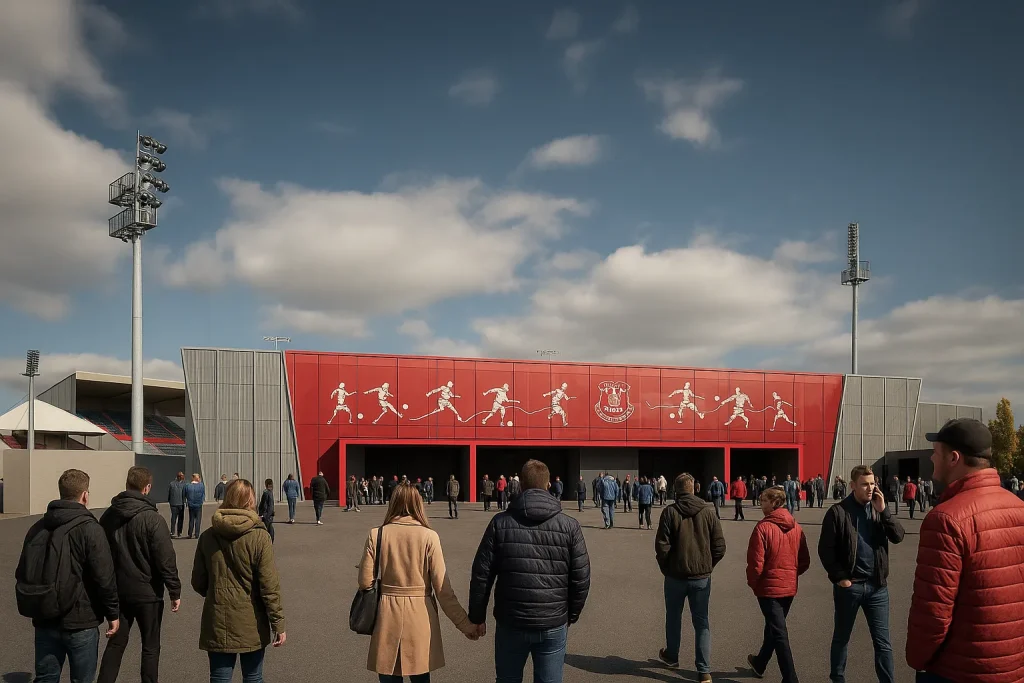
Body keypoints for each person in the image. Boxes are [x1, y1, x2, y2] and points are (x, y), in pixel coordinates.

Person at [907, 418, 1024, 683]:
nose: (931, 459)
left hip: (958, 669)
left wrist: (916, 660)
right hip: (1012, 666)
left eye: (936, 452)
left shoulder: (946, 519)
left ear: (954, 458)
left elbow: (933, 613)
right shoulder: (1018, 507)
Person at [469, 459, 591, 683]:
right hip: (553, 621)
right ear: (547, 486)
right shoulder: (570, 526)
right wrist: (571, 614)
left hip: (511, 621)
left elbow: (481, 574)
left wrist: (476, 616)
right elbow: (581, 578)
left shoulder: (499, 523)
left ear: (521, 485)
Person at [362, 482, 478, 682]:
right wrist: (465, 624)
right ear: (418, 503)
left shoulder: (377, 534)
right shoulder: (429, 536)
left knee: (388, 672)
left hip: (387, 614)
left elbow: (365, 582)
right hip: (420, 615)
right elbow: (443, 590)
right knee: (420, 674)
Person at [16, 469, 120, 683]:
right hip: (81, 619)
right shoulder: (90, 528)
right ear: (85, 495)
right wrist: (113, 614)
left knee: (46, 678)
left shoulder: (38, 527)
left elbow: (22, 570)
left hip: (45, 614)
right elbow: (104, 577)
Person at [192, 478, 285, 683]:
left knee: (219, 677)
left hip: (217, 617)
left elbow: (198, 581)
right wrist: (278, 623)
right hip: (251, 618)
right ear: (250, 500)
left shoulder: (208, 536)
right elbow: (269, 586)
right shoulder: (260, 536)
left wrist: (217, 591)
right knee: (253, 677)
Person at [819, 464, 905, 683]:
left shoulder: (878, 509)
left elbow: (898, 536)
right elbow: (826, 550)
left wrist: (884, 511)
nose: (870, 488)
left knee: (883, 642)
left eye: (873, 484)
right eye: (865, 484)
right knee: (841, 638)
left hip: (877, 587)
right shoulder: (838, 512)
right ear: (852, 486)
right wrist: (840, 578)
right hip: (850, 587)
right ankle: (837, 679)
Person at [96, 466, 180, 683]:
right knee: (150, 646)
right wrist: (174, 590)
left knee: (115, 643)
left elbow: (99, 554)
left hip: (118, 592)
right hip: (148, 593)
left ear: (127, 484)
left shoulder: (109, 516)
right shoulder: (153, 519)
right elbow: (165, 558)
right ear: (147, 488)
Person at [655, 473, 726, 681]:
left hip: (675, 576)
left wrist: (667, 568)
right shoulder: (708, 511)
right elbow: (720, 546)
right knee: (702, 622)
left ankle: (672, 655)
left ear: (675, 490)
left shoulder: (670, 512)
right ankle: (704, 671)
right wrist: (707, 565)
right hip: (701, 577)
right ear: (694, 488)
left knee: (673, 617)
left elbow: (662, 547)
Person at [745, 486, 810, 682]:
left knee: (779, 632)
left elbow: (755, 563)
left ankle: (790, 678)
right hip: (789, 587)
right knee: (774, 627)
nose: (760, 503)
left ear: (775, 503)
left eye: (764, 500)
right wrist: (790, 574)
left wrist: (754, 584)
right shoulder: (796, 526)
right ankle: (760, 662)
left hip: (768, 588)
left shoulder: (763, 528)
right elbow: (804, 560)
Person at [184, 474, 206, 539]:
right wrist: (201, 501)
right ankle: (197, 534)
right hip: (198, 504)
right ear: (198, 478)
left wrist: (187, 501)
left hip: (191, 504)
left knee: (191, 519)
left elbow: (185, 494)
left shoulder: (188, 486)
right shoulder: (201, 485)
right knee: (198, 520)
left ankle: (190, 533)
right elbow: (203, 494)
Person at [167, 472, 186, 539]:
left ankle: (173, 531)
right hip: (180, 503)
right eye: (182, 476)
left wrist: (169, 501)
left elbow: (169, 493)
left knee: (174, 518)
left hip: (174, 503)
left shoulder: (172, 483)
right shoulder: (184, 484)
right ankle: (179, 532)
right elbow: (185, 494)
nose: (183, 477)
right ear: (180, 477)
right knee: (180, 518)